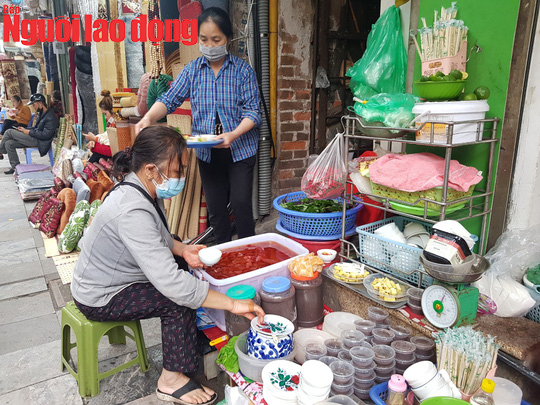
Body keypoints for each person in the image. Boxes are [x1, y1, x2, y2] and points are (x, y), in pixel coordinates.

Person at [71, 126, 264, 405]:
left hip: (114, 277)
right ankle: (170, 381)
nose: (181, 177)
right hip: (99, 295)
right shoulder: (131, 209)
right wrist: (233, 304)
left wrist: (184, 250)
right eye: (178, 170)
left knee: (182, 271)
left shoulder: (142, 188)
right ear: (151, 169)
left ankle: (187, 342)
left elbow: (160, 236)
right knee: (177, 298)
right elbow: (174, 285)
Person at [136, 7, 261, 244]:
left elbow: (253, 113)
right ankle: (223, 255)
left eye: (216, 39)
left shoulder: (243, 71)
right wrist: (148, 119)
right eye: (204, 39)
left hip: (240, 149)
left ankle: (249, 252)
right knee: (216, 209)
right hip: (206, 151)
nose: (210, 45)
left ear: (228, 40)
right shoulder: (193, 70)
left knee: (241, 203)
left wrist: (232, 135)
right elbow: (169, 99)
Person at [0, 93, 59, 175]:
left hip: (39, 141)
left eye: (34, 105)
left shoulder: (50, 116)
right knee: (8, 143)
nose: (33, 107)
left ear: (40, 103)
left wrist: (29, 132)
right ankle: (15, 168)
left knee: (9, 132)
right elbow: (36, 128)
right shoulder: (41, 113)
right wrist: (25, 129)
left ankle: (0, 151)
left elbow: (46, 135)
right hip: (34, 136)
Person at [84, 90, 116, 163]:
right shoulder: (112, 124)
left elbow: (111, 145)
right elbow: (106, 135)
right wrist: (94, 139)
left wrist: (95, 139)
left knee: (97, 152)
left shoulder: (118, 124)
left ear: (112, 111)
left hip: (116, 154)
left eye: (105, 114)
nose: (105, 117)